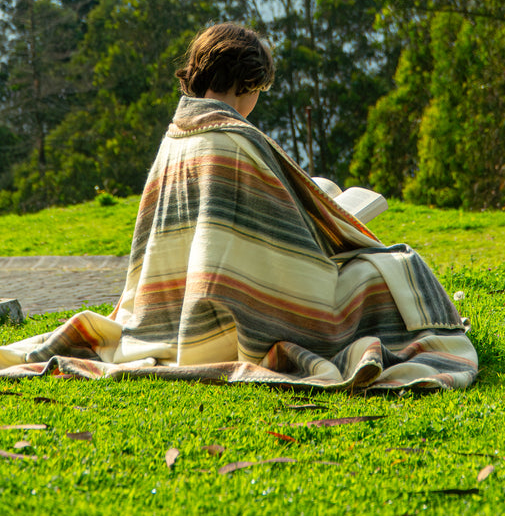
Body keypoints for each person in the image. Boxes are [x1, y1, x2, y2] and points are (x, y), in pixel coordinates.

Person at [0, 22, 477, 390]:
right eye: (259, 89)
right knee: (391, 268)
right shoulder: (234, 139)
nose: (256, 101)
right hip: (240, 313)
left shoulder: (175, 136)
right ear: (247, 81)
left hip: (169, 311)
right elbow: (285, 242)